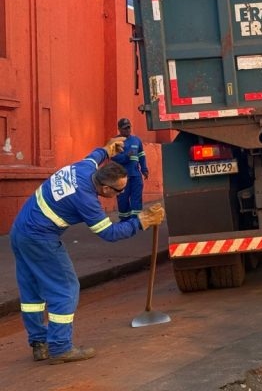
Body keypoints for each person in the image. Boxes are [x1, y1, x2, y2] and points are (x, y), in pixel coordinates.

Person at [10, 137, 166, 365]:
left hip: (20, 231)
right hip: (40, 239)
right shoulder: (86, 199)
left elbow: (96, 155)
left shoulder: (85, 167)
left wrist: (108, 147)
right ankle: (60, 347)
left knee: (32, 292)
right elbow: (109, 234)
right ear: (105, 188)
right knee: (66, 288)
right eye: (119, 191)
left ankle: (39, 344)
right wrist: (141, 220)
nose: (121, 195)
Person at [111, 119, 149, 221]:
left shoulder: (136, 140)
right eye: (125, 128)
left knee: (136, 199)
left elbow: (141, 155)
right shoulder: (115, 142)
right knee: (122, 200)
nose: (127, 130)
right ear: (119, 129)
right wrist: (126, 157)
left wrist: (144, 169)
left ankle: (136, 221)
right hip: (121, 177)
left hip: (136, 176)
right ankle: (125, 221)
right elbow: (113, 157)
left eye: (129, 127)